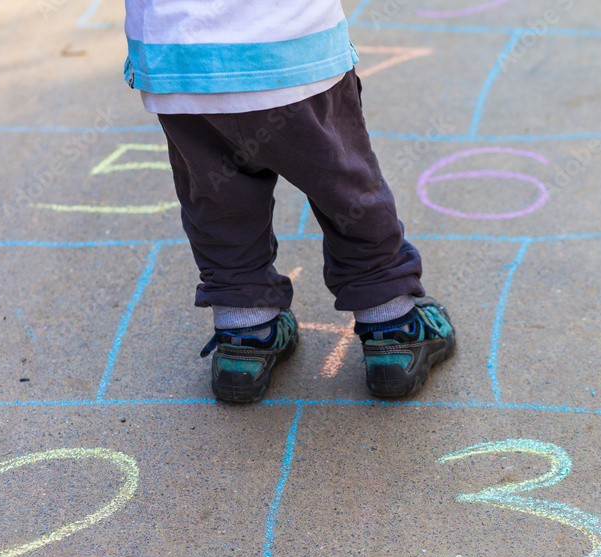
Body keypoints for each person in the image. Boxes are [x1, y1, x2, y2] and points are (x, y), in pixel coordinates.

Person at [123, 0, 455, 402]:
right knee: (346, 190)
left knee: (218, 202)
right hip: (288, 51)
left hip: (179, 62)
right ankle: (393, 330)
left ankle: (244, 336)